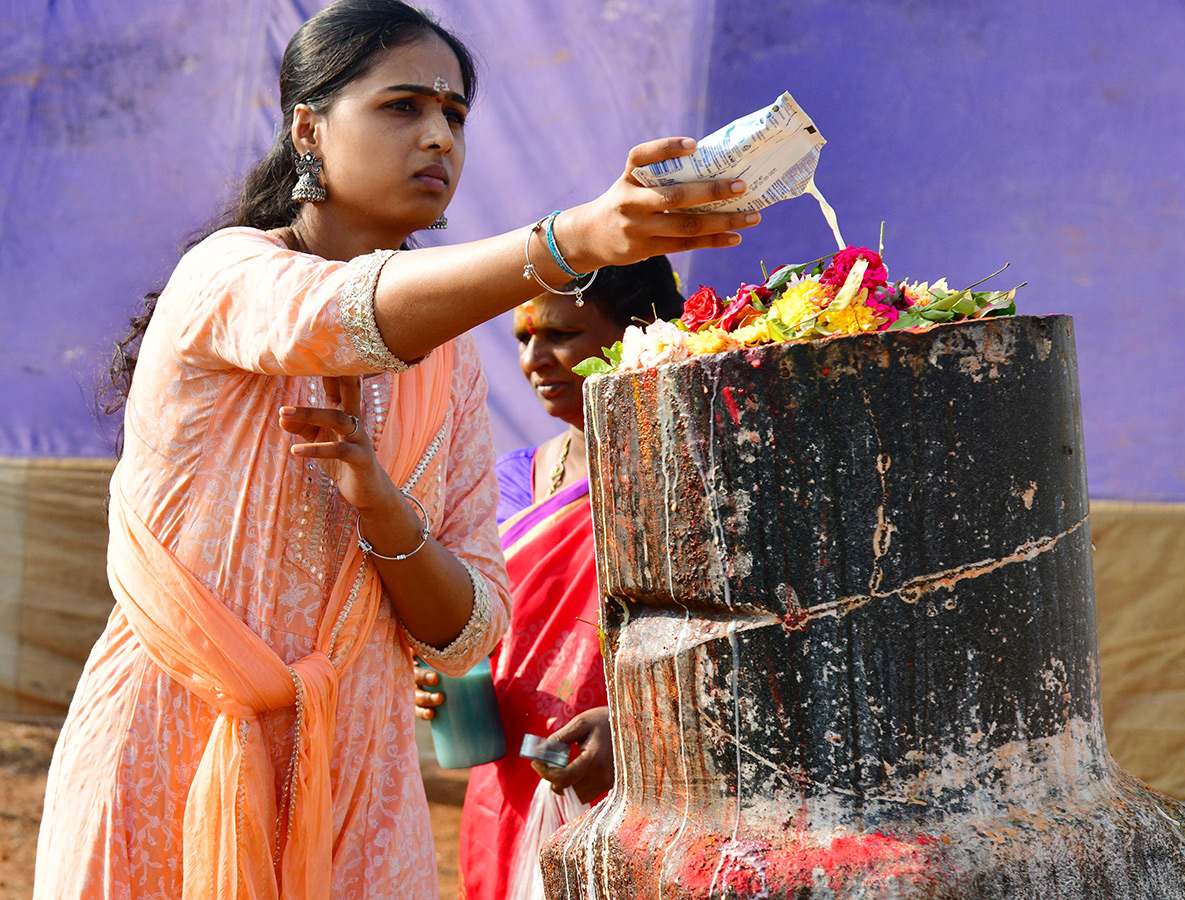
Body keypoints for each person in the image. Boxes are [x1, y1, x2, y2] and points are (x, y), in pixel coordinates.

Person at [33, 1, 757, 897]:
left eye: (454, 116)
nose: (438, 138)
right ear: (308, 128)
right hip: (174, 747)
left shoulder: (448, 359)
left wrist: (382, 507)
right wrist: (570, 242)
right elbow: (337, 318)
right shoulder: (224, 275)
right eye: (402, 107)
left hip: (361, 781)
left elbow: (469, 631)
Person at [414, 260, 684, 900]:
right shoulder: (512, 480)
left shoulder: (686, 466)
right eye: (523, 339)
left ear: (637, 331)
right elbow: (485, 620)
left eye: (561, 335)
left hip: (635, 769)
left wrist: (638, 728)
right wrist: (441, 671)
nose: (535, 358)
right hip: (510, 773)